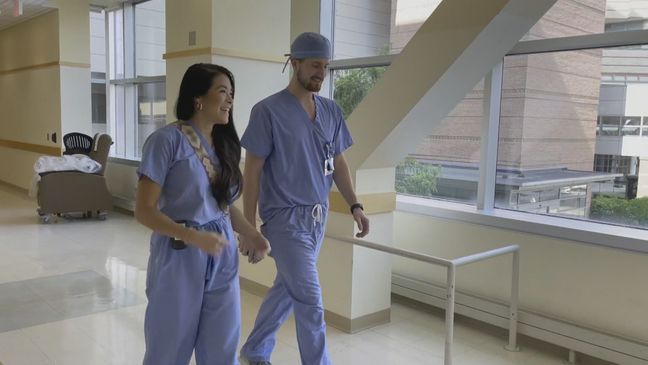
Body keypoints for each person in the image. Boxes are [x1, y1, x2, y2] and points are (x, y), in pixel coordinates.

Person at [238, 32, 370, 365]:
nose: (320, 74)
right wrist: (249, 227)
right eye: (314, 65)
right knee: (310, 301)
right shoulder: (267, 111)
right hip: (284, 218)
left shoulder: (330, 111)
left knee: (287, 289)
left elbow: (338, 161)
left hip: (317, 217)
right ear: (293, 63)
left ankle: (255, 349)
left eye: (325, 67)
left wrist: (355, 205)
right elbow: (252, 172)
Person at [135, 63, 270, 365]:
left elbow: (220, 207)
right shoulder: (166, 141)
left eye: (232, 93)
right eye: (222, 92)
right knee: (168, 347)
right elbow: (144, 211)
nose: (230, 100)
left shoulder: (223, 146)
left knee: (222, 346)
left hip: (221, 253)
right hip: (180, 252)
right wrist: (192, 236)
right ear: (198, 99)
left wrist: (252, 233)